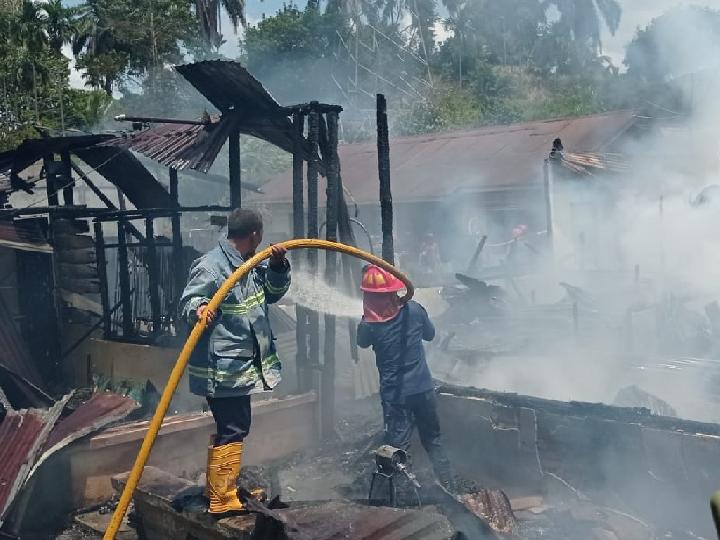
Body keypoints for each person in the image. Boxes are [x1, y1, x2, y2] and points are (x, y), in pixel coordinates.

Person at [179, 209, 291, 515]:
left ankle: (221, 488)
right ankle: (222, 498)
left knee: (232, 427)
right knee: (234, 427)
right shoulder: (212, 266)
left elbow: (271, 294)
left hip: (238, 367)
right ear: (255, 233)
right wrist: (200, 308)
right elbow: (188, 301)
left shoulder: (249, 264)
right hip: (223, 369)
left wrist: (278, 267)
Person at [356, 265, 455, 491]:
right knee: (433, 440)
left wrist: (366, 316)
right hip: (423, 389)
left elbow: (361, 343)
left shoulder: (368, 325)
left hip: (395, 396)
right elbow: (430, 335)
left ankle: (400, 494)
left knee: (397, 446)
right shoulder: (415, 309)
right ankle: (450, 483)